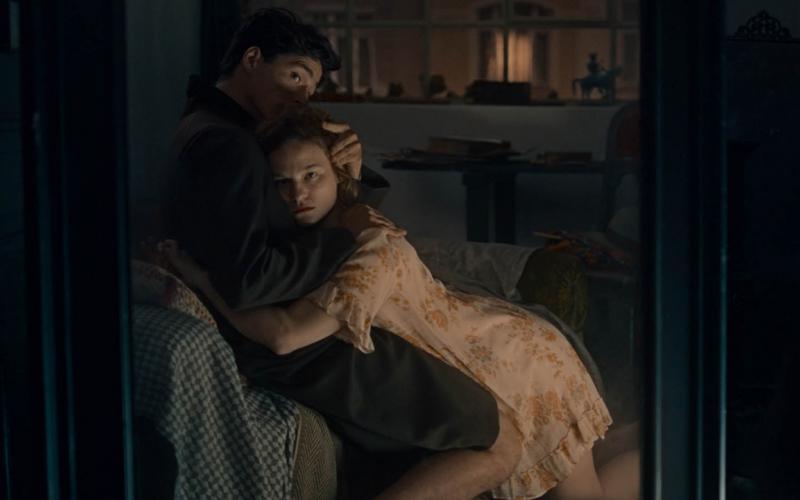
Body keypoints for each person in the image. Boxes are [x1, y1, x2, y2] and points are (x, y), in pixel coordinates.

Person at [161, 107, 641, 500]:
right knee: (584, 475)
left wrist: (203, 280)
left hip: (515, 362)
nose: (299, 194)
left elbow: (287, 336)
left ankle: (665, 451)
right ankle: (649, 440)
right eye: (281, 183)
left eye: (312, 175)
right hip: (482, 347)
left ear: (337, 176)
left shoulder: (370, 248)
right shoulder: (331, 233)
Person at [163, 7, 522, 498]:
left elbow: (286, 224)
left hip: (308, 324)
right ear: (252, 59)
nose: (301, 96)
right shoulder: (228, 144)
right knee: (493, 430)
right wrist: (348, 234)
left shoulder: (216, 127)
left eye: (310, 87)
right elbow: (250, 280)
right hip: (299, 344)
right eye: (294, 76)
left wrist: (348, 176)